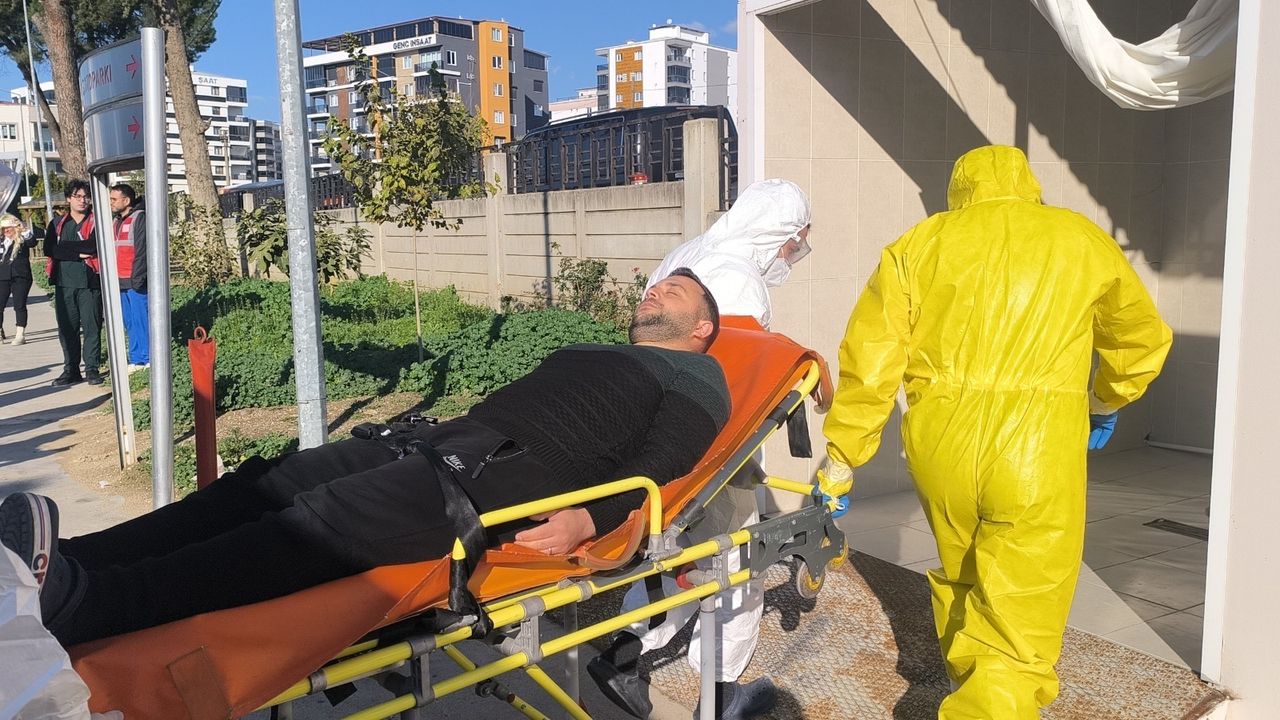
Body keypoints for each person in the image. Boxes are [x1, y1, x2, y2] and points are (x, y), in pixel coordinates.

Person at [0, 269, 728, 648]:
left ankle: (87, 605)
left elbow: (666, 465)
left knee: (315, 524)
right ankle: (69, 560)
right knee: (261, 484)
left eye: (675, 291)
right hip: (443, 443)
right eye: (656, 283)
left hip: (512, 480)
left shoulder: (700, 376)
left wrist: (591, 518)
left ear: (702, 328)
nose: (655, 289)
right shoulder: (593, 347)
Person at [820, 145, 1173, 720]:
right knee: (1018, 619)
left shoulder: (918, 244)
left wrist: (842, 457)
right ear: (1027, 183)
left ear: (960, 188)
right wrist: (1105, 400)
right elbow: (1139, 340)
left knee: (962, 578)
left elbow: (870, 360)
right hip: (1037, 448)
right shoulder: (1080, 238)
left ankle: (967, 683)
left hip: (941, 445)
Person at [590, 178, 811, 720]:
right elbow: (737, 381)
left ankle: (623, 656)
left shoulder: (686, 256)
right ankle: (722, 693)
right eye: (793, 243)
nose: (791, 256)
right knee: (736, 560)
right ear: (777, 234)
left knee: (669, 552)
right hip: (709, 442)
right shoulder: (739, 279)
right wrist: (735, 459)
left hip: (663, 433)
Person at [43, 180, 103, 386]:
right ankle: (71, 369)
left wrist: (65, 248)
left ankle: (92, 368)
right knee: (67, 328)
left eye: (86, 196)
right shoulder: (57, 224)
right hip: (64, 283)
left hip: (90, 283)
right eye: (77, 196)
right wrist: (78, 252)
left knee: (92, 326)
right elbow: (50, 249)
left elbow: (93, 247)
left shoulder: (96, 221)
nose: (82, 200)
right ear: (69, 199)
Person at [108, 183, 149, 369]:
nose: (111, 202)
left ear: (126, 201)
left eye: (114, 199)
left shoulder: (139, 218)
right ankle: (135, 359)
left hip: (135, 280)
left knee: (141, 319)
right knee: (129, 321)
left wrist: (138, 279)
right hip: (119, 281)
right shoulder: (115, 221)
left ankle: (147, 358)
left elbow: (142, 251)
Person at [0, 213, 40, 345]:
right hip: (3, 276)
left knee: (19, 305)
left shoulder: (22, 239)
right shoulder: (2, 241)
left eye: (9, 227)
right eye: (4, 228)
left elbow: (32, 242)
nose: (6, 230)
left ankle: (20, 334)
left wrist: (24, 228)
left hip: (21, 276)